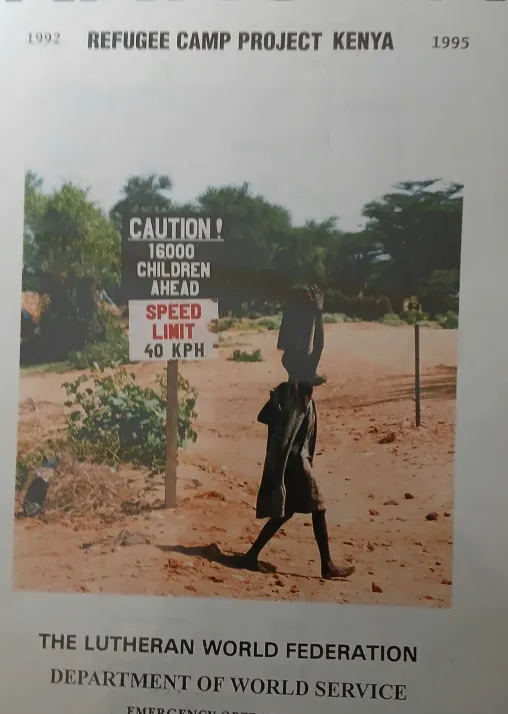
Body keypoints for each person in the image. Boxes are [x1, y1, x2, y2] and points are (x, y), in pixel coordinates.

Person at [237, 286, 355, 580]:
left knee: (287, 511)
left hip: (290, 458)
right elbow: (318, 349)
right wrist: (318, 312)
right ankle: (327, 565)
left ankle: (251, 555)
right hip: (295, 461)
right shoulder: (299, 389)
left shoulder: (288, 388)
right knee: (320, 506)